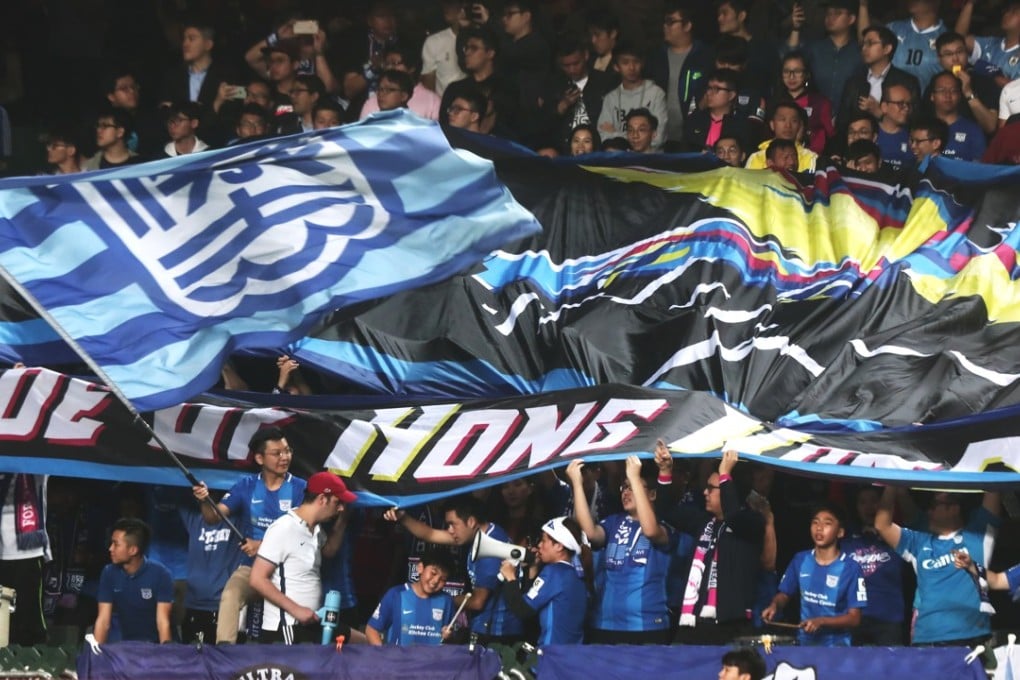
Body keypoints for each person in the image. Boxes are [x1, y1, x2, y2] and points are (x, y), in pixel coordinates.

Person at [191, 427, 307, 644]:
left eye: (287, 451)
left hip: (288, 572)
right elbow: (213, 517)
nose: (285, 457)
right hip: (252, 568)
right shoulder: (246, 486)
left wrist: (262, 546)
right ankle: (225, 652)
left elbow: (303, 537)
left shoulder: (301, 489)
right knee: (230, 595)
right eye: (277, 453)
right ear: (260, 458)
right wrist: (204, 500)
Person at [659, 448, 764, 645]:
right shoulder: (703, 522)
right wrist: (665, 471)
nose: (705, 492)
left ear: (729, 489)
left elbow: (734, 517)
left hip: (731, 627)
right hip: (692, 622)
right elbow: (665, 511)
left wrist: (725, 473)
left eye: (711, 488)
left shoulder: (752, 522)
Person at [385, 495, 525, 643]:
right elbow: (430, 534)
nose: (450, 530)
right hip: (489, 627)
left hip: (497, 633)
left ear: (471, 522)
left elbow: (477, 602)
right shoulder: (483, 532)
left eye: (453, 524)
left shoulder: (490, 553)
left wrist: (440, 598)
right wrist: (403, 517)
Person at [568, 455, 675, 644]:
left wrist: (634, 476)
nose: (626, 492)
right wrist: (577, 484)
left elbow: (650, 531)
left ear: (652, 494)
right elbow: (590, 533)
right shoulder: (613, 522)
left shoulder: (663, 526)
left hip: (647, 625)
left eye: (632, 487)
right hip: (605, 623)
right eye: (624, 487)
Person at [874, 486, 1000, 645]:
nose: (929, 512)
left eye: (934, 506)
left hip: (969, 635)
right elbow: (882, 525)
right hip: (926, 637)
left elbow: (994, 487)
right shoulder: (918, 542)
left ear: (954, 508)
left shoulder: (977, 535)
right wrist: (891, 484)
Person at [251, 471, 360, 644]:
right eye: (337, 502)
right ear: (322, 499)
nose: (340, 508)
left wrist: (343, 519)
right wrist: (296, 610)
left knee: (365, 644)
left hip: (312, 622)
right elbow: (257, 579)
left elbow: (329, 551)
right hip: (286, 628)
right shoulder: (284, 528)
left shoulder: (316, 530)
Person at [762, 504, 867, 646]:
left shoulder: (851, 568)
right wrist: (774, 605)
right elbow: (785, 594)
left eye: (827, 523)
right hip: (804, 644)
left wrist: (821, 621)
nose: (819, 528)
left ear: (840, 532)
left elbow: (855, 618)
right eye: (815, 522)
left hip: (837, 647)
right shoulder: (800, 559)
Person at [498, 516, 590, 645]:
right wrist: (533, 569)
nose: (539, 545)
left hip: (552, 652)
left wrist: (510, 578)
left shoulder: (555, 572)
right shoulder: (575, 574)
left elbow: (522, 610)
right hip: (571, 652)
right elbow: (534, 604)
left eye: (544, 540)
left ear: (559, 546)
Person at [841, 486, 906, 645]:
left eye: (874, 501)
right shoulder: (845, 539)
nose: (869, 507)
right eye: (863, 502)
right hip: (853, 617)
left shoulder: (896, 537)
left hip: (889, 618)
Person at [93, 518, 173, 644]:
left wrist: (166, 652)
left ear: (133, 550)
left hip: (156, 646)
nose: (110, 548)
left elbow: (163, 622)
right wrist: (96, 652)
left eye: (116, 544)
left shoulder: (161, 574)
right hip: (128, 646)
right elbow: (103, 621)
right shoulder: (109, 573)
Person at [648, 2, 715, 148]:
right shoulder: (657, 56)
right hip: (659, 136)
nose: (665, 26)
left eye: (671, 22)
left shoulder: (705, 56)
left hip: (694, 137)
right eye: (665, 22)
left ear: (687, 26)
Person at [837, 26, 921, 134]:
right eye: (863, 44)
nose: (864, 48)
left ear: (887, 49)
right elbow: (842, 122)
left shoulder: (907, 82)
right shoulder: (853, 82)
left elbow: (914, 123)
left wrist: (880, 114)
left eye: (870, 43)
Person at [365, 549, 455, 646]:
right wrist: (384, 654)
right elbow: (371, 630)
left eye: (443, 579)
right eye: (433, 573)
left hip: (433, 656)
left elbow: (452, 637)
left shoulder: (447, 601)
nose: (435, 581)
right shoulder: (396, 594)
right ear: (420, 568)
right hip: (397, 656)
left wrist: (449, 636)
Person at [0, 474, 50, 645]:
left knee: (30, 614)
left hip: (29, 552)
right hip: (1, 552)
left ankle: (36, 656)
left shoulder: (37, 467)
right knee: (3, 616)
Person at [786, 0, 862, 108]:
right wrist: (795, 29)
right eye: (828, 13)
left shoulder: (859, 52)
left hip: (849, 115)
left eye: (837, 13)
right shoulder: (815, 49)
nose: (831, 17)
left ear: (851, 19)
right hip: (816, 114)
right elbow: (790, 62)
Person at [597, 44, 668, 151]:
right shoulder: (610, 98)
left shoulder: (656, 94)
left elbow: (659, 137)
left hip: (650, 158)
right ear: (616, 67)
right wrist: (641, 137)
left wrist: (615, 133)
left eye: (636, 62)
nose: (631, 68)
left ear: (642, 63)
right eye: (625, 63)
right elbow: (603, 136)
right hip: (619, 158)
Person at [862, 0, 946, 90]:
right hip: (886, 97)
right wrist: (863, 6)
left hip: (925, 98)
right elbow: (866, 41)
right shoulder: (893, 28)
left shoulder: (945, 37)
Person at [772, 51, 835, 153]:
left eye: (797, 71)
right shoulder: (774, 102)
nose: (791, 76)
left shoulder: (820, 103)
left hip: (813, 157)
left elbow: (832, 136)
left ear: (806, 74)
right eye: (786, 71)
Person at [359, 45, 441, 120]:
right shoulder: (373, 101)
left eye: (395, 63)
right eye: (387, 64)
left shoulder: (432, 101)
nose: (390, 67)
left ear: (412, 67)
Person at [682, 69, 751, 153]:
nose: (709, 93)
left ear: (731, 95)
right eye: (709, 88)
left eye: (716, 89)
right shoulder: (694, 120)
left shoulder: (741, 125)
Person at [927, 71, 985, 161]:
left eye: (953, 90)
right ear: (932, 96)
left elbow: (980, 166)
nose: (948, 95)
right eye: (941, 90)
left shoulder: (973, 130)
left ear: (959, 96)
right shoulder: (922, 128)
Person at [745, 102, 818, 171]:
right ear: (772, 124)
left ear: (799, 126)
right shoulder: (756, 157)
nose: (788, 125)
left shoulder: (810, 157)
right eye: (782, 120)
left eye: (794, 121)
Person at [421, 0, 470, 96]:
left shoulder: (481, 39)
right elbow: (428, 85)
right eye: (445, 4)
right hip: (443, 103)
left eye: (451, 4)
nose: (446, 8)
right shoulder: (434, 41)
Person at [876, 82, 916, 170]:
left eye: (908, 104)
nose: (906, 108)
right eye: (900, 104)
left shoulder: (914, 138)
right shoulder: (869, 132)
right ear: (884, 107)